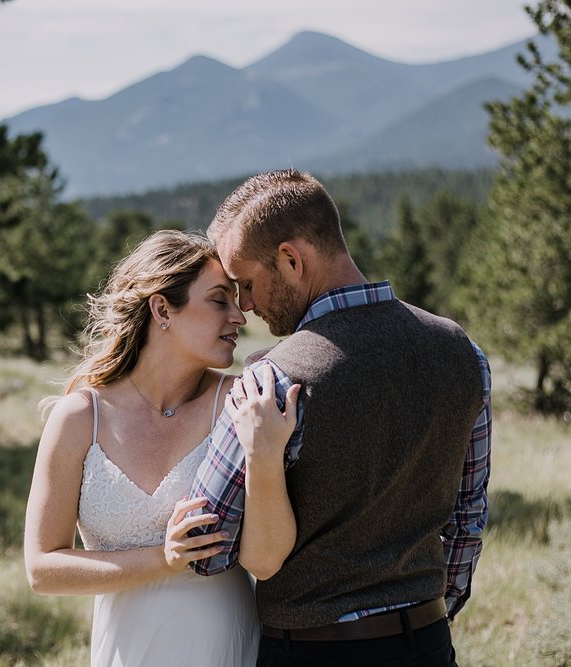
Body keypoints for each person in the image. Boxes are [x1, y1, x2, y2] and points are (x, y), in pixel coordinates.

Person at [189, 169, 492, 666]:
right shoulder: (463, 353)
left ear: (290, 259)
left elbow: (209, 548)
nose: (245, 306)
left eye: (247, 284)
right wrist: (433, 613)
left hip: (312, 650)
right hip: (427, 642)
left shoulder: (274, 380)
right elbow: (467, 520)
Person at [23, 230, 300, 667]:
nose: (239, 316)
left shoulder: (242, 404)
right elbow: (42, 568)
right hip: (127, 648)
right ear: (162, 309)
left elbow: (268, 559)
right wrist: (162, 559)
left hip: (223, 643)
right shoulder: (80, 418)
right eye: (218, 300)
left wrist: (265, 454)